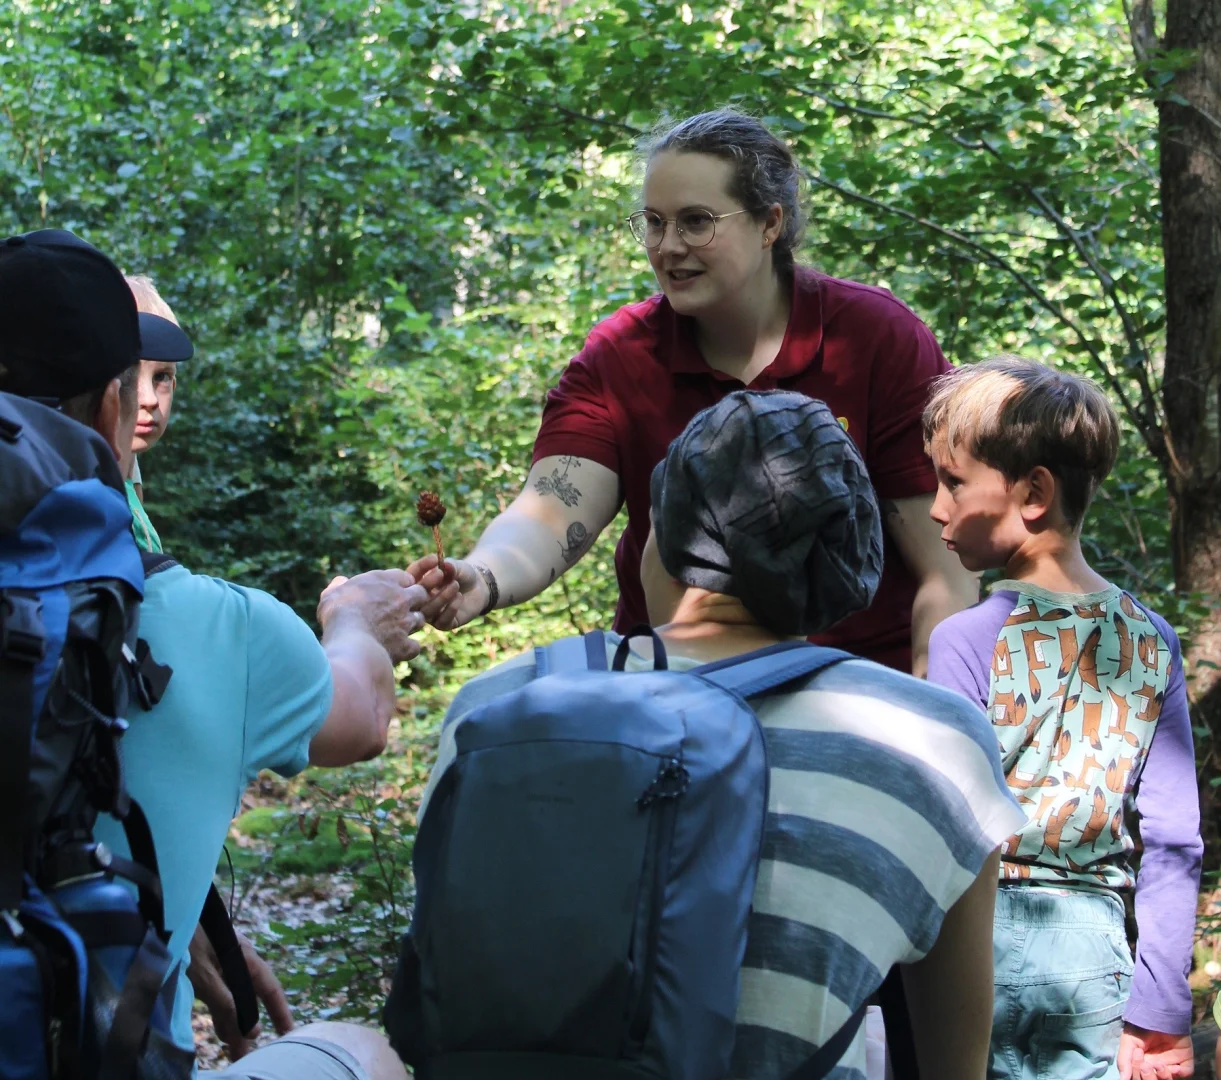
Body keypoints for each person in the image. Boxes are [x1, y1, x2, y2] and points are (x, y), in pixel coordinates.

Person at [413, 390, 1024, 1078]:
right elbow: (953, 1063)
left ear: (665, 539)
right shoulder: (935, 742)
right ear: (846, 555)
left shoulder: (496, 703)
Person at [0, 228, 449, 1080]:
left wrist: (182, 915)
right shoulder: (216, 626)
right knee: (362, 1052)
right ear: (110, 406)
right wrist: (353, 622)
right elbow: (360, 718)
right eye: (144, 379)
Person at [411, 108, 977, 678]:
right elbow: (552, 508)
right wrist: (481, 578)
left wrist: (933, 719)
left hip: (853, 690)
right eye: (654, 222)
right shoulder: (622, 353)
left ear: (769, 224)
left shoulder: (875, 337)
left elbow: (946, 567)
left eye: (696, 221)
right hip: (676, 696)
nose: (668, 245)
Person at [922, 356, 1203, 1080]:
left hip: (974, 942)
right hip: (1093, 957)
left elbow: (950, 825)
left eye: (953, 482)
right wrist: (1160, 1013)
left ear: (1034, 494)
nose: (934, 507)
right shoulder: (1151, 639)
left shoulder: (964, 639)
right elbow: (1173, 841)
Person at [121, 273, 193, 553]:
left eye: (161, 376)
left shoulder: (129, 470)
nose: (149, 399)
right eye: (128, 375)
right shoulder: (90, 487)